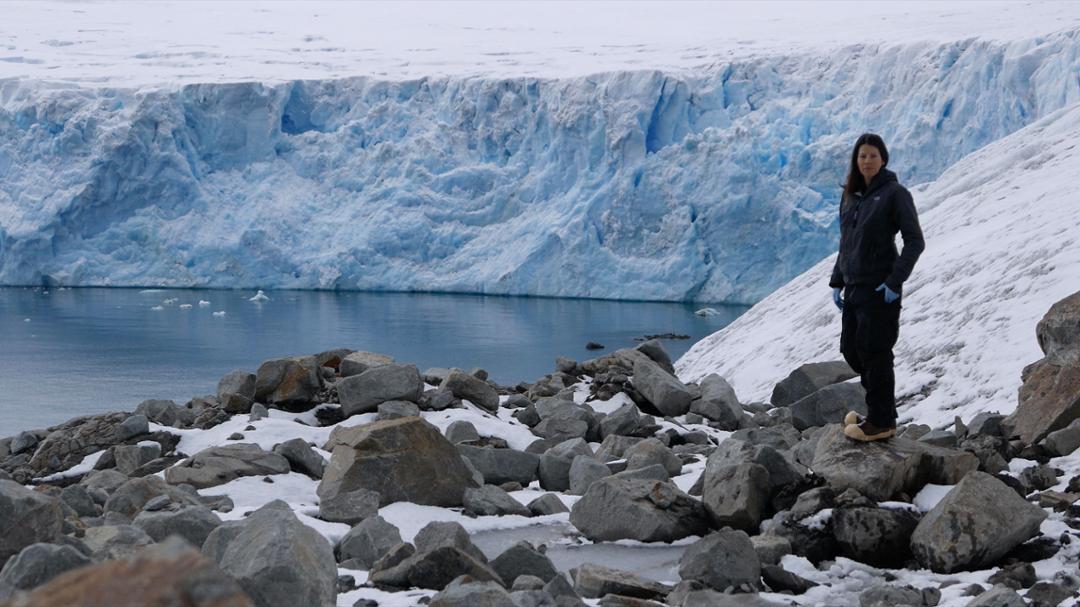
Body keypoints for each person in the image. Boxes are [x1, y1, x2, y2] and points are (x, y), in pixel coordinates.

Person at [829, 133, 924, 442]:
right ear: (856, 161)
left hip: (880, 288)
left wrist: (895, 281)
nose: (866, 160)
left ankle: (881, 421)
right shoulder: (852, 197)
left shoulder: (895, 194)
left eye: (872, 155)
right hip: (854, 287)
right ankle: (879, 413)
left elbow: (914, 241)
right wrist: (837, 280)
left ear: (883, 159)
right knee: (852, 350)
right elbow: (847, 243)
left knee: (875, 352)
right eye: (861, 155)